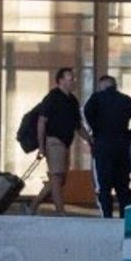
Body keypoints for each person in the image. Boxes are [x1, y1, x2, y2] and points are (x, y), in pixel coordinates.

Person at [82, 74, 131, 219]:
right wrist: (130, 134)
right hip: (122, 145)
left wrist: (96, 130)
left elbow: (86, 112)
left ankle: (107, 215)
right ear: (114, 85)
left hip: (103, 145)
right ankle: (125, 216)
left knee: (104, 185)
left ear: (102, 86)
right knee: (123, 184)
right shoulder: (125, 100)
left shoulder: (96, 98)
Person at [30, 66, 89, 216]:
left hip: (66, 142)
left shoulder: (72, 101)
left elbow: (78, 125)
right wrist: (41, 147)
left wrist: (90, 140)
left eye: (73, 78)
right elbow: (41, 121)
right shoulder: (52, 98)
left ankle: (33, 205)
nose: (73, 81)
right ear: (61, 80)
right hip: (54, 141)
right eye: (70, 78)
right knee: (56, 177)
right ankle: (60, 210)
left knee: (60, 178)